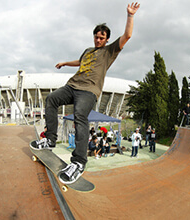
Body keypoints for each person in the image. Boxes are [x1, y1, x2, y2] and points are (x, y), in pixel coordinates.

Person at [31, 2, 140, 184]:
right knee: (51, 99)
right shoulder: (88, 51)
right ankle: (50, 140)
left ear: (106, 39)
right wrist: (65, 63)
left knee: (80, 115)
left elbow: (127, 36)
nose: (98, 40)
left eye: (101, 38)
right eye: (96, 37)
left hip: (88, 91)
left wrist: (130, 15)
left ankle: (79, 162)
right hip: (72, 85)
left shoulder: (109, 51)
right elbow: (80, 62)